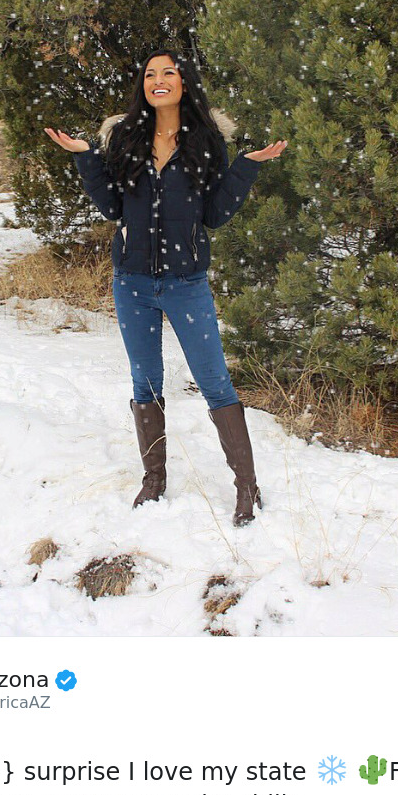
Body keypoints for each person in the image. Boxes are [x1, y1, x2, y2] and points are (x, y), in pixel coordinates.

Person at [45, 47, 286, 526]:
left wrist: (245, 167)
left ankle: (246, 486)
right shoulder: (126, 138)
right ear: (144, 86)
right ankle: (153, 480)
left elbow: (214, 214)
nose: (158, 79)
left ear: (182, 82)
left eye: (168, 72)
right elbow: (114, 208)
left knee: (215, 382)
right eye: (150, 73)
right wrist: (86, 158)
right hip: (131, 281)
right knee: (145, 382)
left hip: (185, 283)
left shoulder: (205, 142)